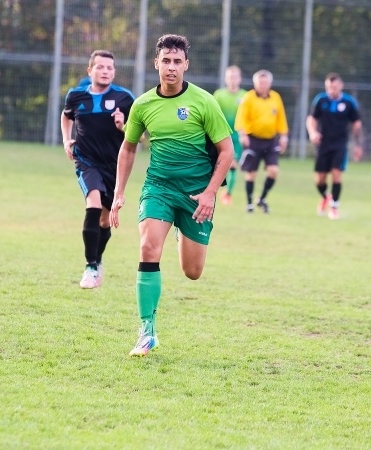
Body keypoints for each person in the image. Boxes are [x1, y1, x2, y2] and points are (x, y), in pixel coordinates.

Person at [110, 34, 233, 356]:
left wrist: (209, 194)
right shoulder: (144, 104)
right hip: (159, 188)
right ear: (156, 64)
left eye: (177, 62)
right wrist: (119, 193)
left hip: (196, 196)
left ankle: (182, 231)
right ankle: (146, 330)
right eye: (166, 61)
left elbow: (227, 152)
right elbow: (128, 146)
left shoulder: (204, 102)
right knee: (149, 247)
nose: (171, 67)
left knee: (192, 272)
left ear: (186, 65)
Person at [61, 50, 135, 289]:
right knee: (92, 204)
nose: (105, 71)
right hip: (85, 161)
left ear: (114, 72)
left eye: (110, 68)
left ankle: (98, 260)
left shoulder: (125, 98)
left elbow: (139, 137)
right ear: (90, 70)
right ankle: (90, 266)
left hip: (113, 167)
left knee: (104, 221)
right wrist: (66, 140)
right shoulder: (76, 96)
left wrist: (123, 126)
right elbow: (66, 116)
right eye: (100, 67)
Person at [306, 72, 362, 220]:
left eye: (335, 87)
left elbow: (356, 124)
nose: (332, 90)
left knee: (336, 174)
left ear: (341, 86)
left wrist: (357, 145)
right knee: (319, 180)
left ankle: (334, 207)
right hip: (323, 144)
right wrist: (312, 133)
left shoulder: (349, 102)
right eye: (329, 87)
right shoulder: (320, 100)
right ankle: (326, 197)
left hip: (340, 145)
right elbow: (311, 119)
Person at [234, 69, 289, 214]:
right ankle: (249, 203)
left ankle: (262, 198)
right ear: (255, 83)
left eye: (265, 82)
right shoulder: (249, 97)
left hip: (271, 141)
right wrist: (242, 134)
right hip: (253, 139)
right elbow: (241, 117)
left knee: (273, 171)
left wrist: (283, 136)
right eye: (260, 82)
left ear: (269, 83)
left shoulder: (275, 97)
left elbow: (281, 118)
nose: (263, 85)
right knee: (251, 173)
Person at [212, 66, 247, 206]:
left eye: (235, 77)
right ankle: (213, 189)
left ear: (240, 79)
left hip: (238, 135)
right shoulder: (219, 95)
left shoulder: (245, 96)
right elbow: (213, 114)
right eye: (230, 77)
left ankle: (228, 193)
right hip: (221, 134)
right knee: (218, 164)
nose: (232, 79)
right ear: (226, 79)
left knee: (233, 165)